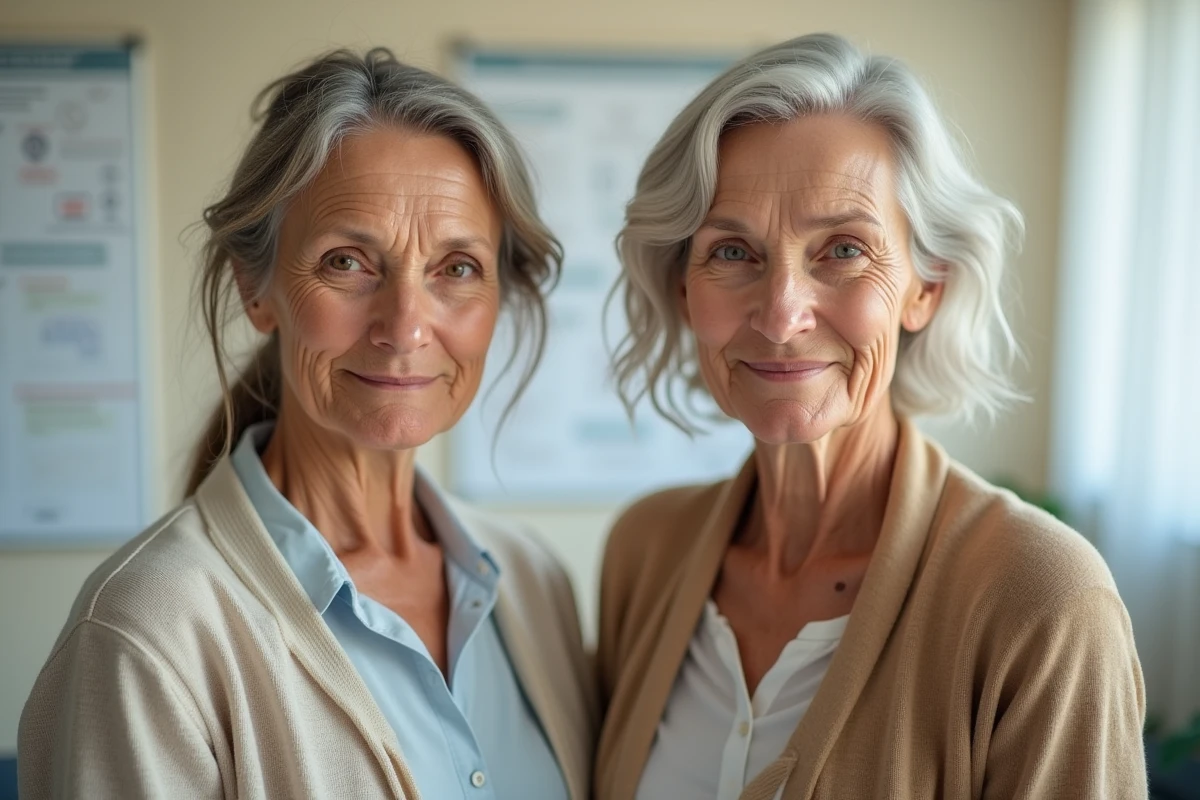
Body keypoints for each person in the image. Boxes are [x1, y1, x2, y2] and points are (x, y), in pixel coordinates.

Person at [20, 48, 595, 800]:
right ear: (256, 290)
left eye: (456, 269)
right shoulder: (143, 632)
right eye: (348, 263)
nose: (405, 326)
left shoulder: (532, 582)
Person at [596, 33, 1146, 800]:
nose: (782, 314)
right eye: (731, 252)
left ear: (928, 288)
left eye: (844, 249)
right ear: (682, 288)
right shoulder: (645, 552)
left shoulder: (1042, 600)